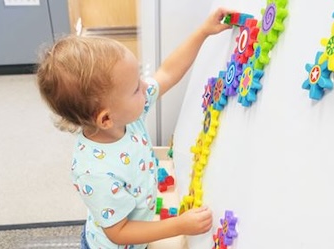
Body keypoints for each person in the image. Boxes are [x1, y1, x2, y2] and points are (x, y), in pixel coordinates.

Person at [36, 8, 232, 249]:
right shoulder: (95, 171)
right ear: (105, 119)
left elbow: (167, 72)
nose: (146, 86)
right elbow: (119, 232)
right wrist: (180, 225)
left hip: (139, 230)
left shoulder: (125, 115)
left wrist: (203, 32)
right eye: (135, 88)